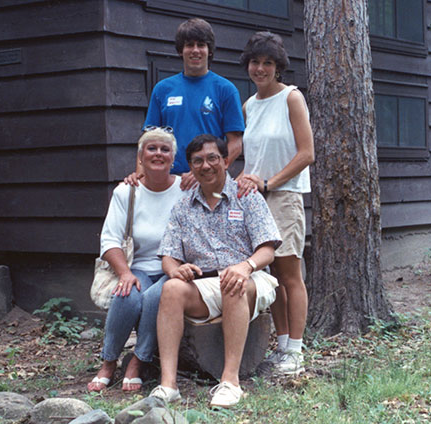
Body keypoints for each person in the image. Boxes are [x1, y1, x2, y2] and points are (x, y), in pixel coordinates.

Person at [148, 134, 282, 408]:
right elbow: (168, 257)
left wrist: (245, 267)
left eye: (212, 158)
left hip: (252, 277)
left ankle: (230, 383)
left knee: (231, 282)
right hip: (205, 284)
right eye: (197, 161)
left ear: (225, 161)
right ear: (190, 166)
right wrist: (177, 269)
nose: (205, 166)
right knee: (171, 288)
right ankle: (168, 385)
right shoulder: (183, 206)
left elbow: (268, 249)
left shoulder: (247, 196)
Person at [237, 32, 315, 375]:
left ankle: (296, 352)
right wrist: (245, 179)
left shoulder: (292, 98)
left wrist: (270, 182)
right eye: (255, 62)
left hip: (283, 196)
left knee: (289, 274)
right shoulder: (249, 105)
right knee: (268, 275)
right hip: (254, 201)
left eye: (268, 63)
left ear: (278, 67)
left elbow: (306, 154)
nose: (260, 68)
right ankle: (282, 346)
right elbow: (253, 158)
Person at [88, 127, 185, 393]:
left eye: (165, 149)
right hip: (137, 267)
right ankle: (108, 362)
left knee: (157, 297)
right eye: (151, 148)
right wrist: (125, 273)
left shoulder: (185, 189)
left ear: (173, 158)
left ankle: (137, 362)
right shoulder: (126, 192)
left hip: (174, 269)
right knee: (127, 294)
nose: (158, 153)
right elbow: (109, 240)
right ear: (140, 157)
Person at [138, 17, 245, 190]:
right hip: (168, 182)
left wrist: (205, 171)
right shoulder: (162, 89)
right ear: (181, 50)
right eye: (189, 45)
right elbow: (147, 139)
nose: (195, 50)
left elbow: (235, 144)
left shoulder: (226, 89)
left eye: (201, 45)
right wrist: (141, 177)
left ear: (209, 50)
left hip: (210, 181)